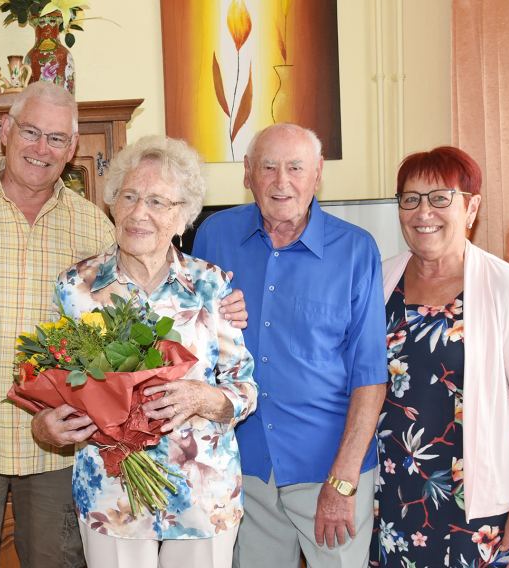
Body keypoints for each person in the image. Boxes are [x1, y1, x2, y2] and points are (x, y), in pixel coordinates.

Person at [0, 83, 248, 568]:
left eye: (56, 138)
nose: (41, 148)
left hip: (60, 453)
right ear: (5, 132)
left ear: (72, 150)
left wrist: (222, 306)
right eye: (30, 131)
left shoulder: (95, 226)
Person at [31, 135, 258, 568]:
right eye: (129, 196)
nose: (139, 213)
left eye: (157, 201)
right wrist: (47, 426)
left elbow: (244, 389)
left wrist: (203, 398)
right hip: (111, 490)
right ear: (112, 203)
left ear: (183, 217)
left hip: (201, 491)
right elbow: (52, 387)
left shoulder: (212, 286)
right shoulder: (75, 288)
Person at [192, 123, 388, 567]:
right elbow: (190, 346)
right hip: (243, 464)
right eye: (269, 167)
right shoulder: (213, 236)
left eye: (296, 167)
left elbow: (370, 374)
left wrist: (343, 480)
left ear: (317, 174)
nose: (283, 181)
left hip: (327, 466)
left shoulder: (356, 250)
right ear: (247, 173)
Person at [370, 146, 509, 568]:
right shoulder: (378, 280)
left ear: (471, 208)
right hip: (390, 498)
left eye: (439, 198)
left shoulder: (508, 288)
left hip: (476, 506)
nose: (423, 212)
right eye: (410, 198)